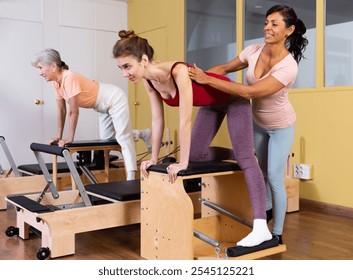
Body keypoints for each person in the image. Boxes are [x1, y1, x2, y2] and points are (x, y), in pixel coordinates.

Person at [112, 30, 273, 247]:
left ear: (143, 60)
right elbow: (157, 121)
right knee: (198, 154)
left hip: (233, 100)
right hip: (210, 105)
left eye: (127, 66)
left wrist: (183, 163)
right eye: (121, 68)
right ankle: (237, 152)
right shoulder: (148, 82)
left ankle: (261, 226)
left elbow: (185, 120)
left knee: (245, 161)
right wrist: (153, 158)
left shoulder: (178, 71)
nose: (124, 74)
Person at [188, 5, 308, 244]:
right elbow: (223, 69)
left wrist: (207, 79)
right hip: (258, 123)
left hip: (281, 126)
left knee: (274, 176)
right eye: (266, 22)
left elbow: (250, 91)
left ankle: (276, 234)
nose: (267, 27)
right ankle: (265, 215)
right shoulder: (253, 50)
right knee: (260, 172)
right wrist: (196, 81)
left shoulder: (288, 66)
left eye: (274, 23)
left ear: (289, 30)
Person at [31, 48, 150, 180]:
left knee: (123, 138)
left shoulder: (68, 77)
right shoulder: (56, 83)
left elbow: (73, 111)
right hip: (101, 107)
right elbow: (61, 110)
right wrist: (58, 137)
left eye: (40, 68)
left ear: (53, 66)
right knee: (108, 138)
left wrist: (70, 138)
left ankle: (131, 177)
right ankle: (143, 134)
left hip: (114, 97)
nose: (39, 73)